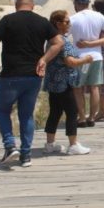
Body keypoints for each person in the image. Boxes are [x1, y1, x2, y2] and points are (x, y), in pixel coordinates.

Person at [0, 0, 63, 167]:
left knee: (2, 111)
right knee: (26, 116)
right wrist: (44, 59)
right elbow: (58, 42)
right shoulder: (42, 21)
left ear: (16, 5)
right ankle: (26, 155)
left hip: (10, 75)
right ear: (33, 5)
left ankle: (9, 146)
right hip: (33, 76)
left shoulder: (8, 20)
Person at [42, 10, 93, 156]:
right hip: (64, 82)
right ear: (58, 24)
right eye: (66, 22)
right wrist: (85, 60)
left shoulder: (51, 41)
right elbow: (70, 61)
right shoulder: (62, 41)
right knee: (72, 112)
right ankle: (73, 144)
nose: (69, 24)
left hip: (53, 83)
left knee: (55, 112)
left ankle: (50, 144)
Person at [70, 0, 104, 127]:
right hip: (97, 57)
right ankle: (91, 117)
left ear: (76, 4)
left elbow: (63, 36)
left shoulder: (73, 19)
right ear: (87, 3)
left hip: (81, 59)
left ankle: (82, 118)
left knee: (77, 88)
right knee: (94, 87)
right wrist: (98, 40)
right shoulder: (99, 16)